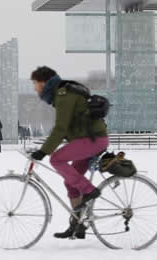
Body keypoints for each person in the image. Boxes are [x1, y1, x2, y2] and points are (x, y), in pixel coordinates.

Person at [29, 66, 108, 240]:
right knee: (71, 183)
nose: (34, 88)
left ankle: (89, 190)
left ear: (43, 83)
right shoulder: (62, 94)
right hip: (90, 140)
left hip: (92, 140)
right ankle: (77, 224)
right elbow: (66, 129)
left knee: (56, 159)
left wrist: (44, 151)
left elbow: (61, 127)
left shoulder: (64, 95)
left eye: (35, 84)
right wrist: (46, 146)